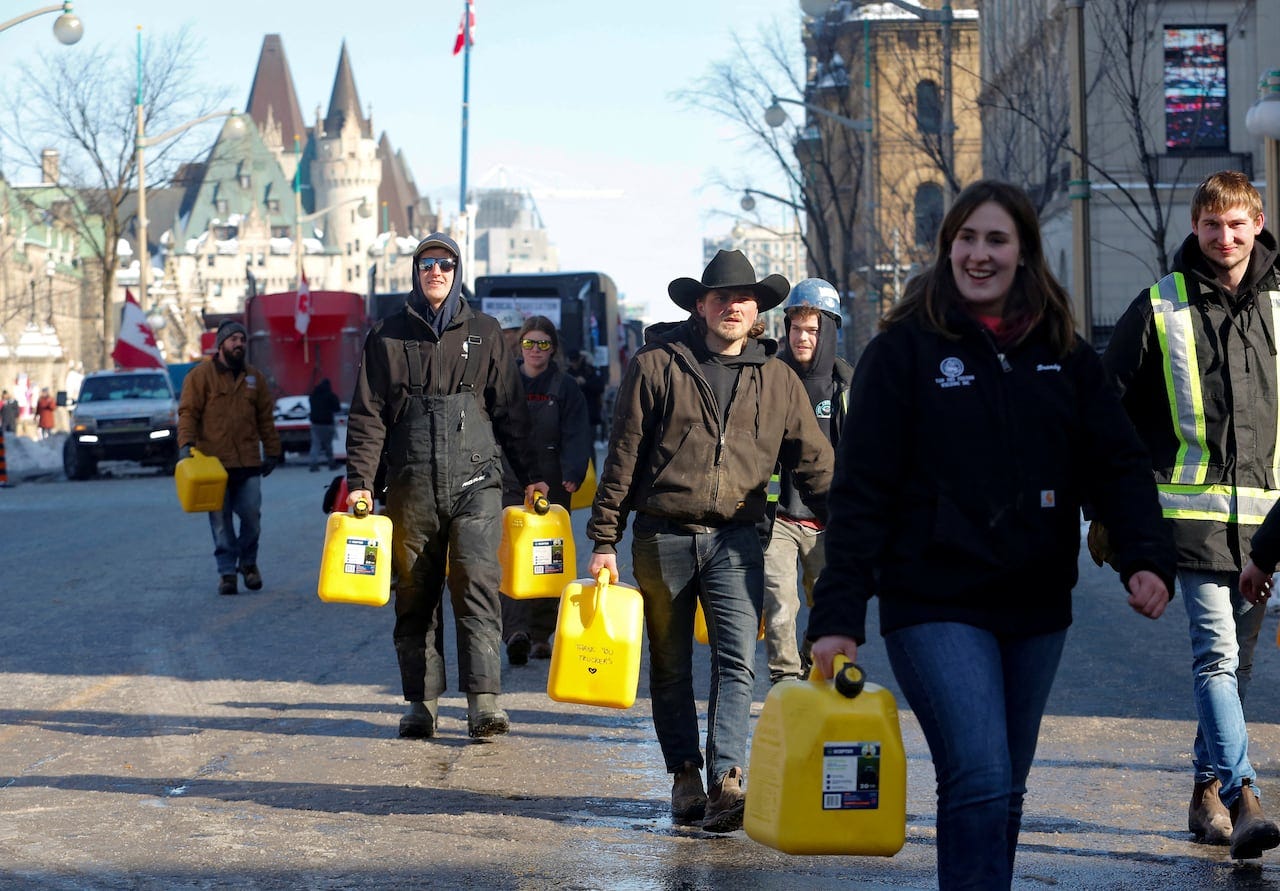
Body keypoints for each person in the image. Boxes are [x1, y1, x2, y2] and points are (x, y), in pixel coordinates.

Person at [806, 180, 1175, 890]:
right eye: (966, 239)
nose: (979, 254)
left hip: (1035, 604)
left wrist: (1144, 554)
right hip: (933, 598)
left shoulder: (1063, 353)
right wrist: (839, 615)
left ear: (1024, 252)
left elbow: (1119, 460)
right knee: (977, 771)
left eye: (996, 240)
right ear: (948, 249)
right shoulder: (903, 352)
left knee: (1004, 786)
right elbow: (862, 491)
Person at [586, 250, 833, 833]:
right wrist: (603, 539)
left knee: (735, 661)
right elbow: (622, 457)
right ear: (701, 305)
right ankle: (684, 776)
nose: (733, 307)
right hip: (662, 535)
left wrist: (853, 525)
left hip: (738, 537)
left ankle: (727, 778)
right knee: (670, 666)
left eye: (744, 299)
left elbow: (816, 464)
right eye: (722, 297)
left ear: (757, 312)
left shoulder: (777, 380)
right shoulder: (657, 365)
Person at [1102, 170, 1280, 859]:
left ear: (1257, 223)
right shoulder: (1160, 306)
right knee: (1216, 657)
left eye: (1237, 224)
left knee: (1239, 669)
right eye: (1212, 225)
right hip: (1192, 525)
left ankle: (1203, 789)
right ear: (1196, 227)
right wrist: (1113, 507)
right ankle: (1244, 795)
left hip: (1267, 527)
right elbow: (1105, 410)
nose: (1225, 237)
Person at [345, 232, 546, 741]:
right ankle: (421, 705)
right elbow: (368, 416)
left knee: (477, 583)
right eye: (427, 264)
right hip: (410, 483)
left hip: (477, 479)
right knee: (415, 594)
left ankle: (484, 703)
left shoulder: (485, 331)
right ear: (415, 272)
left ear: (458, 272)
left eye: (446, 264)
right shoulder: (387, 334)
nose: (436, 272)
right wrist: (361, 482)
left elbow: (511, 412)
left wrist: (532, 476)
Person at [761, 278, 853, 684]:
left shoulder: (847, 387)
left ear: (829, 330)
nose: (802, 337)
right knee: (780, 603)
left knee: (826, 604)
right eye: (796, 328)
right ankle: (784, 680)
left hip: (828, 521)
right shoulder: (769, 377)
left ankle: (809, 668)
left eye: (812, 330)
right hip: (777, 517)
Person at [501, 316, 593, 664]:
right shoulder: (503, 381)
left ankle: (541, 634)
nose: (535, 350)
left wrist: (574, 471)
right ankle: (516, 631)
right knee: (511, 559)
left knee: (547, 562)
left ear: (552, 348)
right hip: (508, 482)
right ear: (520, 345)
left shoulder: (565, 386)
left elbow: (576, 431)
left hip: (554, 484)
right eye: (529, 343)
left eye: (543, 344)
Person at [177, 320, 282, 597]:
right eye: (233, 339)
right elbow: (188, 413)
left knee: (251, 517)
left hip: (248, 462)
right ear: (221, 344)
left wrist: (272, 451)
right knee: (221, 522)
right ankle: (226, 573)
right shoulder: (199, 377)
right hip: (212, 465)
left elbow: (265, 419)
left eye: (242, 339)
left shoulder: (254, 378)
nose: (239, 344)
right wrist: (185, 444)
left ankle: (248, 564)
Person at [566, 349, 605, 442]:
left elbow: (599, 386)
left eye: (575, 360)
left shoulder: (590, 371)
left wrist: (584, 383)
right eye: (571, 361)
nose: (573, 364)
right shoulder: (568, 373)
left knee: (589, 441)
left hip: (590, 410)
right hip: (574, 413)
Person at [307, 378, 342, 472]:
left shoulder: (313, 395)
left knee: (315, 445)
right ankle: (331, 463)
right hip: (327, 424)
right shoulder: (331, 396)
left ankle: (313, 464)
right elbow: (337, 408)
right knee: (328, 445)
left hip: (315, 424)